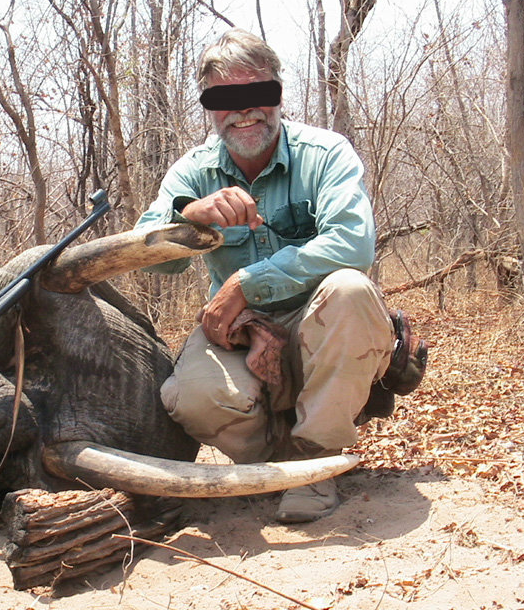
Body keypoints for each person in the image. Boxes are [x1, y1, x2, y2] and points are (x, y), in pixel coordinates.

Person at [135, 28, 397, 523]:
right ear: (210, 107)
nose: (244, 110)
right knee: (189, 398)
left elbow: (353, 244)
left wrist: (246, 282)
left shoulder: (326, 152)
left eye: (257, 92)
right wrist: (188, 218)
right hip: (237, 331)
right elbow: (152, 256)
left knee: (350, 290)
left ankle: (316, 461)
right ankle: (279, 461)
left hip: (319, 321)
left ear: (277, 92)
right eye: (225, 99)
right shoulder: (192, 172)